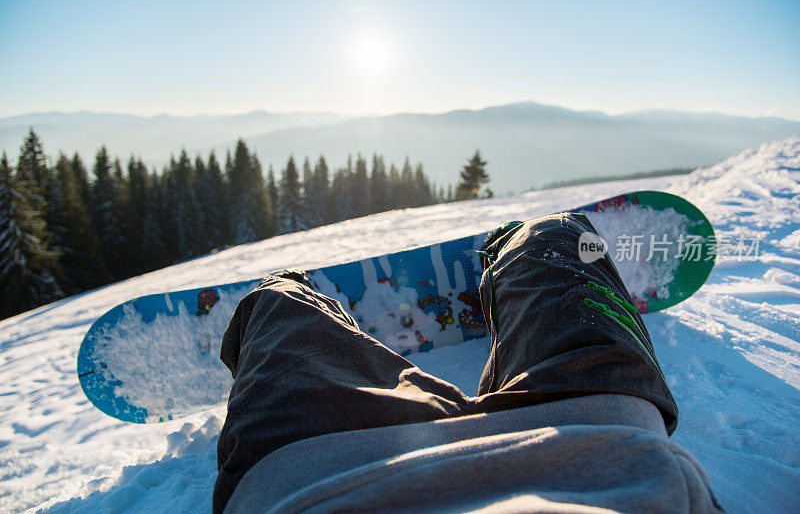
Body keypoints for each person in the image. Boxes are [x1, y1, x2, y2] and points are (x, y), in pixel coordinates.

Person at [213, 212, 724, 513]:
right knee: (556, 234)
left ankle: (287, 293)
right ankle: (515, 252)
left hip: (310, 468)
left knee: (278, 306)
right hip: (604, 437)